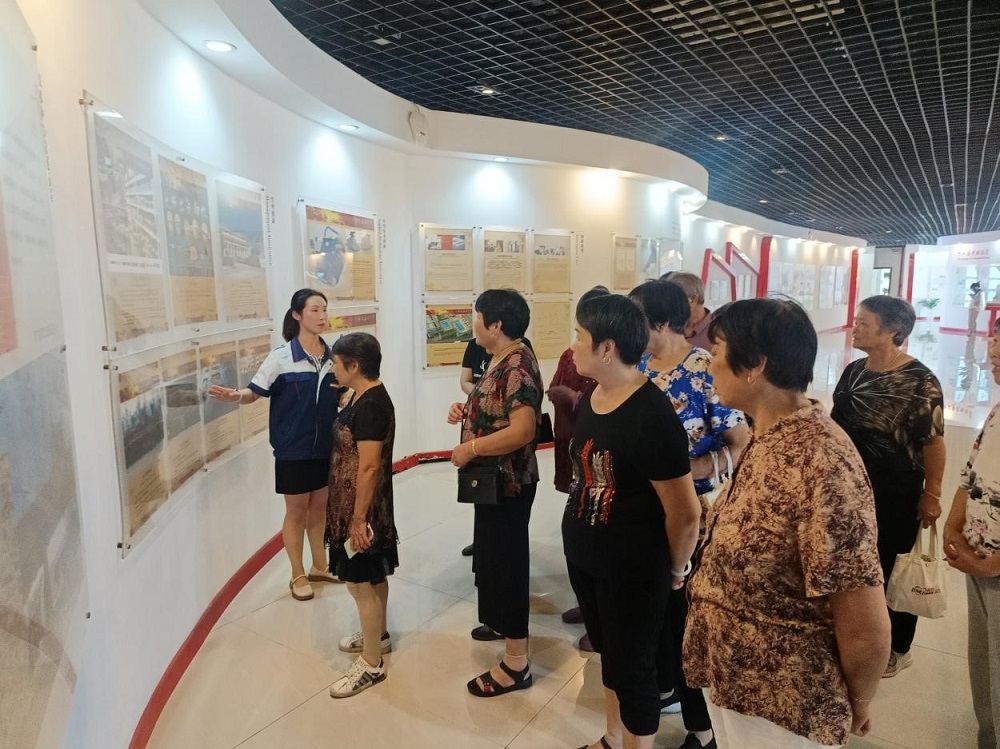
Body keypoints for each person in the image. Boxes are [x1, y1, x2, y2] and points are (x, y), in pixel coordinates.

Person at [685, 298, 891, 749]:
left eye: (716, 351)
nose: (708, 363)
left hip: (786, 698)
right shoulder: (768, 433)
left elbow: (864, 621)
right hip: (736, 680)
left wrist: (859, 699)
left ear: (755, 365)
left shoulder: (822, 460)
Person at [564, 293, 701, 749]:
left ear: (607, 348)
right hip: (587, 555)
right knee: (610, 654)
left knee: (635, 670)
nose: (573, 346)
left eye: (579, 337)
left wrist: (677, 569)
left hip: (633, 568)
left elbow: (684, 512)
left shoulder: (651, 414)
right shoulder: (593, 396)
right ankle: (611, 737)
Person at [629, 280, 749, 749]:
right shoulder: (636, 366)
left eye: (638, 318)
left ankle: (702, 727)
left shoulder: (703, 371)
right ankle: (663, 687)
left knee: (686, 620)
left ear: (661, 322)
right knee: (652, 611)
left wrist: (694, 469)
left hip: (691, 515)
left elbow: (741, 445)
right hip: (641, 512)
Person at [830, 295, 945, 677]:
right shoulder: (854, 371)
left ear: (892, 330)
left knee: (893, 566)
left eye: (864, 322)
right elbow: (837, 425)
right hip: (849, 488)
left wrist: (932, 493)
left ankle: (898, 646)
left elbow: (933, 442)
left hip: (896, 491)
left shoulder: (920, 380)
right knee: (855, 563)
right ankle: (857, 635)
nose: (855, 327)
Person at [207, 289, 339, 602]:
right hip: (293, 450)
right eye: (314, 310)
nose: (322, 316)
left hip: (325, 447)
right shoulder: (281, 357)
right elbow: (255, 392)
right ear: (297, 315)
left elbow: (342, 393)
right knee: (296, 513)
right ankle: (297, 574)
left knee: (319, 509)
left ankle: (320, 565)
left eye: (324, 310)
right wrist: (237, 396)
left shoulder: (334, 357)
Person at [447, 289, 543, 697]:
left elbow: (523, 430)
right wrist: (466, 411)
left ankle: (516, 664)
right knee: (493, 559)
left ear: (496, 324)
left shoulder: (517, 364)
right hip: (495, 482)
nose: (474, 324)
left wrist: (470, 447)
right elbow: (497, 410)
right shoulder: (502, 360)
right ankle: (502, 625)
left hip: (509, 482)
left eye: (478, 317)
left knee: (507, 564)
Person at [326, 333, 397, 698]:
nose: (333, 370)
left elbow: (368, 467)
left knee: (360, 584)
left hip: (362, 508)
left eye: (337, 364)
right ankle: (377, 636)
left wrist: (357, 521)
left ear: (354, 366)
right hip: (363, 505)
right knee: (374, 574)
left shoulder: (370, 407)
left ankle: (371, 663)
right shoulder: (363, 396)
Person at [944, 319, 1000, 749]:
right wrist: (954, 525)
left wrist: (994, 563)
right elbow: (970, 473)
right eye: (994, 341)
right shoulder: (997, 411)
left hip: (994, 567)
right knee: (984, 665)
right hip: (978, 565)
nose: (993, 351)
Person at [546, 285, 610, 650]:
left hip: (600, 459)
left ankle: (600, 619)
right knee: (579, 529)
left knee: (598, 536)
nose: (575, 342)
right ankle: (587, 606)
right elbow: (554, 387)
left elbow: (604, 401)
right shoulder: (570, 355)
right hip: (572, 444)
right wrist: (565, 396)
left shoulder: (617, 366)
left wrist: (577, 398)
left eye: (581, 333)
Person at [664, 272, 713, 350]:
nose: (666, 305)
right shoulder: (664, 326)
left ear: (692, 300)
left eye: (672, 300)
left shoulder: (719, 330)